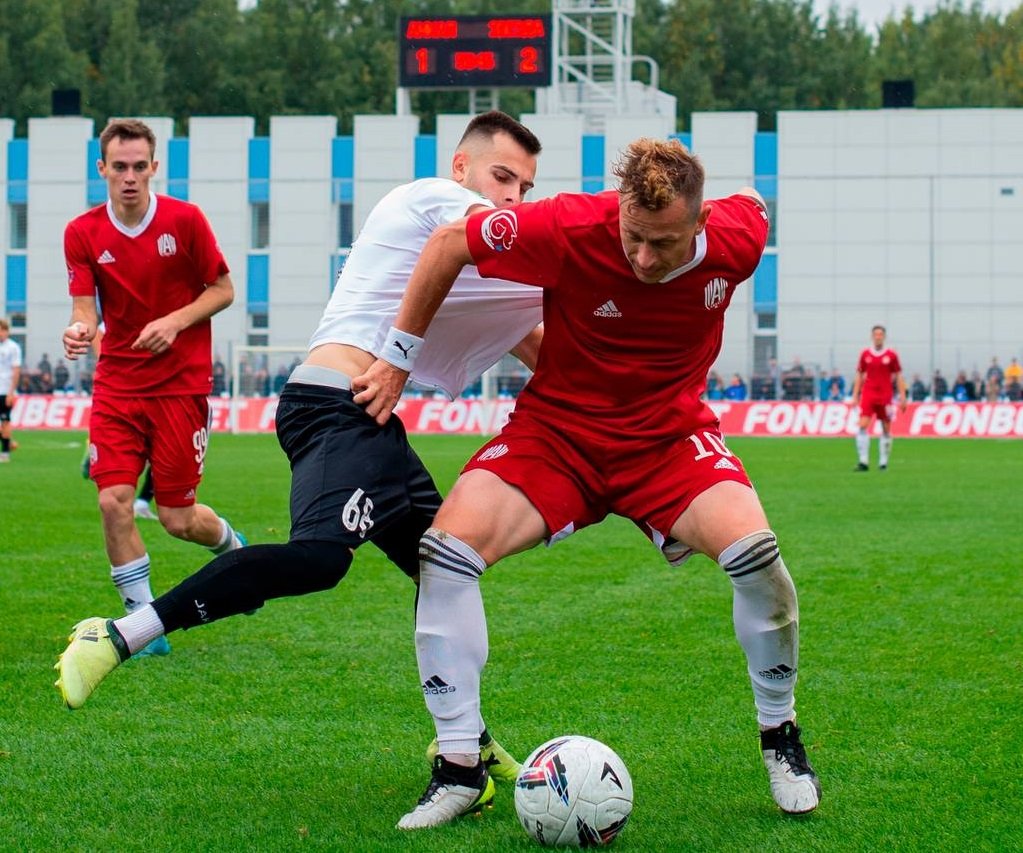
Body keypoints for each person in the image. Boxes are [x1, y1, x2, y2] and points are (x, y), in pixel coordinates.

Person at [54, 112, 545, 785]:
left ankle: (469, 744)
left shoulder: (476, 250)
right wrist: (622, 233)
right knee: (319, 559)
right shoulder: (436, 199)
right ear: (461, 168)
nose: (513, 196)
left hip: (369, 415)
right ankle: (116, 635)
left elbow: (537, 342)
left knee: (444, 567)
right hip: (333, 403)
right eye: (502, 177)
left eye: (525, 187)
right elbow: (530, 243)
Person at [354, 138, 821, 828]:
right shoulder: (569, 223)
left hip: (666, 441)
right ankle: (458, 766)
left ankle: (779, 734)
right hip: (558, 435)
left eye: (662, 243)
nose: (643, 258)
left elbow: (752, 203)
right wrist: (397, 361)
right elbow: (450, 243)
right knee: (444, 555)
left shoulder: (737, 236)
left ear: (700, 222)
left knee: (757, 557)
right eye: (633, 236)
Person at [59, 118, 247, 658]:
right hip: (117, 385)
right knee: (113, 501)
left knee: (177, 519)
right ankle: (143, 625)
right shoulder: (82, 232)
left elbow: (223, 289)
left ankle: (232, 549)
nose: (129, 177)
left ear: (154, 167)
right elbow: (84, 309)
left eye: (139, 166)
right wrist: (79, 330)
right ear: (102, 169)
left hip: (179, 387)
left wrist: (175, 321)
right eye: (119, 167)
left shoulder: (185, 221)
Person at [850, 325, 907, 472]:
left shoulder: (891, 355)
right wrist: (855, 395)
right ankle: (863, 461)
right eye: (876, 334)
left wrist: (903, 397)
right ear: (872, 336)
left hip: (885, 395)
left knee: (886, 428)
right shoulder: (865, 354)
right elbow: (859, 375)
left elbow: (899, 376)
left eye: (880, 334)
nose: (878, 337)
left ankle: (883, 462)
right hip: (868, 394)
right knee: (863, 425)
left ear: (884, 337)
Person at [0, 318, 22, 463]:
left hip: (5, 390)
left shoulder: (13, 347)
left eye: (2, 330)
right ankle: (10, 442)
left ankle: (5, 453)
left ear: (7, 331)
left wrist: (11, 392)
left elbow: (16, 370)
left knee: (5, 421)